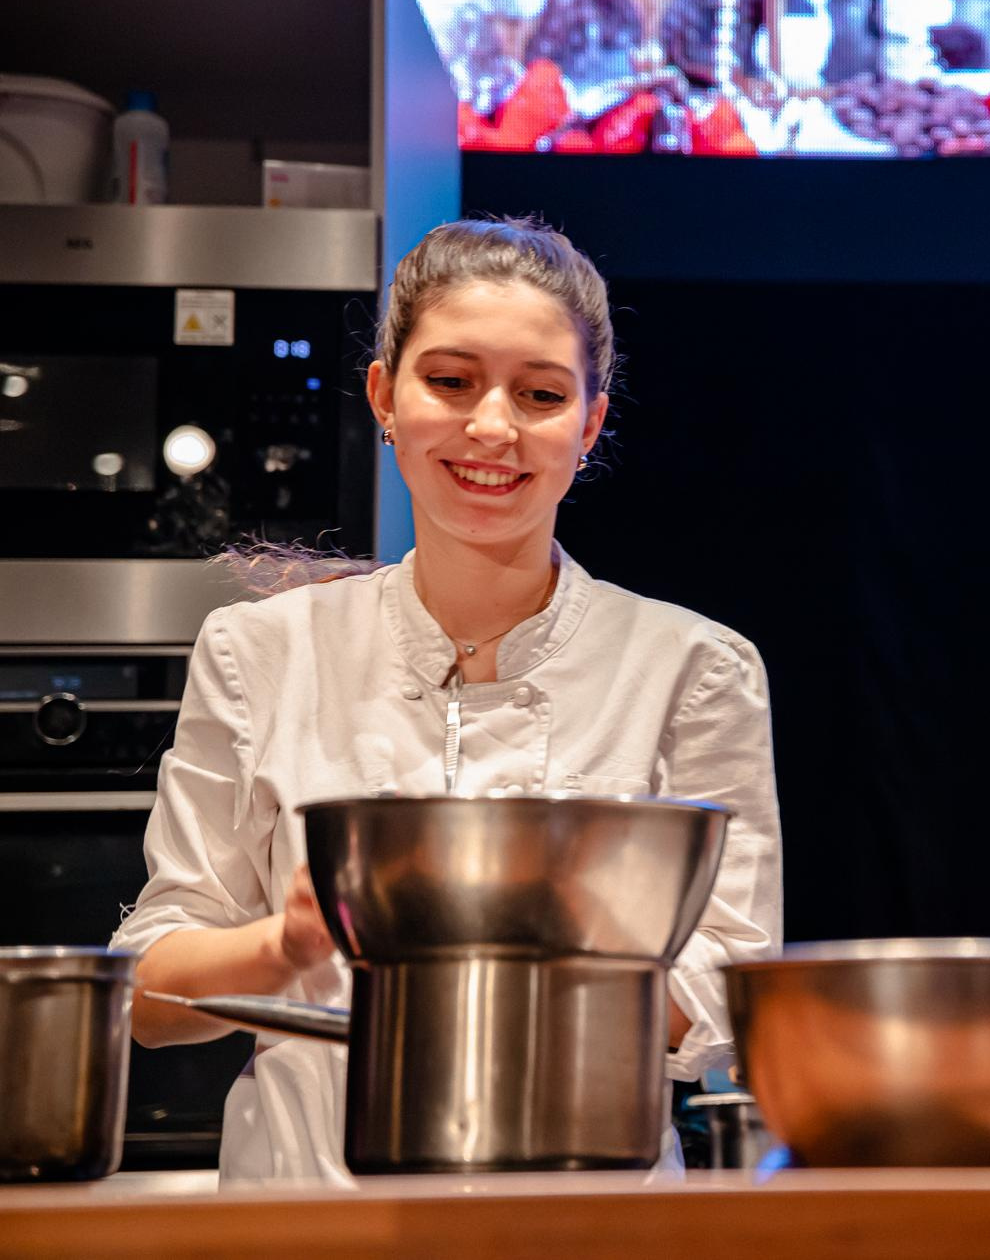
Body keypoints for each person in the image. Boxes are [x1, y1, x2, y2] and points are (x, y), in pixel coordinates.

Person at [112, 218, 782, 1182]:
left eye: (541, 394)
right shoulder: (259, 652)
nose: (493, 427)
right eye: (452, 380)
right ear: (385, 396)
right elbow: (147, 992)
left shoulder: (695, 666)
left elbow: (731, 978)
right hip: (309, 1227)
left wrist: (523, 987)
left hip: (589, 1227)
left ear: (588, 425)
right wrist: (284, 944)